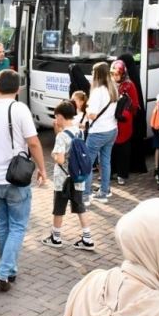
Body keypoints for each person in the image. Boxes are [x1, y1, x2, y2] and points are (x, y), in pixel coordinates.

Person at [0, 70, 46, 291]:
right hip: (16, 176)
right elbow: (33, 143)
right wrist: (42, 168)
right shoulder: (19, 109)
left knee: (2, 224)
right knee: (17, 226)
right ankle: (4, 271)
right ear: (18, 89)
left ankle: (9, 270)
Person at [42, 100, 92, 250]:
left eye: (56, 116)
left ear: (61, 117)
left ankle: (56, 237)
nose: (55, 119)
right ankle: (87, 238)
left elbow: (61, 159)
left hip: (63, 180)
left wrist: (53, 154)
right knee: (80, 207)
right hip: (78, 177)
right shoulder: (80, 131)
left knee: (59, 207)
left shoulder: (62, 136)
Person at [83, 62, 118, 205]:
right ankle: (104, 192)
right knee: (105, 161)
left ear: (97, 74)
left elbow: (92, 115)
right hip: (112, 129)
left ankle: (86, 195)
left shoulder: (98, 91)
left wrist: (85, 109)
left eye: (92, 71)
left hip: (98, 132)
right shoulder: (113, 88)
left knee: (87, 164)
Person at [116, 53, 148, 174]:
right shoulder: (134, 77)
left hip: (129, 116)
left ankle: (127, 167)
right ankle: (137, 166)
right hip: (135, 115)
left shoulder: (128, 82)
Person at [110, 60, 140, 186]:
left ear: (123, 74)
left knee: (123, 149)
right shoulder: (109, 84)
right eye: (113, 74)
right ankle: (110, 172)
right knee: (110, 148)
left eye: (117, 74)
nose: (115, 77)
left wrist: (124, 105)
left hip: (123, 122)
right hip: (111, 120)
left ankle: (122, 174)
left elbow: (135, 105)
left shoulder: (129, 85)